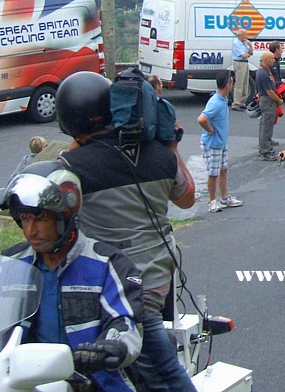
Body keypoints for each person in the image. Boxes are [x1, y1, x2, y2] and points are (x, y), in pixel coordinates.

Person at [55, 71, 198, 392]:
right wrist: (170, 144)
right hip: (160, 279)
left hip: (118, 291)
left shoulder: (71, 167)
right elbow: (188, 198)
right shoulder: (161, 156)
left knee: (166, 376)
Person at [0, 161, 144, 392]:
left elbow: (125, 323)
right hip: (26, 383)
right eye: (25, 219)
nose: (30, 231)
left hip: (95, 382)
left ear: (65, 215)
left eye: (40, 219)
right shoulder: (11, 263)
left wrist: (107, 347)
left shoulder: (108, 263)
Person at [198, 70, 244, 210]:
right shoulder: (216, 102)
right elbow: (201, 119)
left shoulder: (222, 100)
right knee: (213, 174)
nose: (233, 85)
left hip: (221, 143)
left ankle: (225, 197)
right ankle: (212, 202)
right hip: (213, 144)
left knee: (223, 170)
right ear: (227, 85)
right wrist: (210, 130)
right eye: (231, 82)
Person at [256, 51, 284, 161]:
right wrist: (279, 100)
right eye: (272, 59)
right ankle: (265, 150)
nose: (274, 60)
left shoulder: (265, 71)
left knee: (265, 123)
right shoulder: (263, 73)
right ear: (266, 60)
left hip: (267, 100)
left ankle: (265, 143)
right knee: (267, 125)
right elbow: (269, 92)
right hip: (267, 101)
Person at [231, 28, 253, 111]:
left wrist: (250, 45)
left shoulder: (245, 43)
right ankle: (236, 103)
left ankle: (242, 103)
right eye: (246, 34)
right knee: (239, 83)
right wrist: (247, 54)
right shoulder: (236, 43)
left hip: (245, 63)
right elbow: (243, 55)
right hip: (239, 63)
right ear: (241, 35)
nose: (247, 36)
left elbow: (251, 53)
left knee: (245, 83)